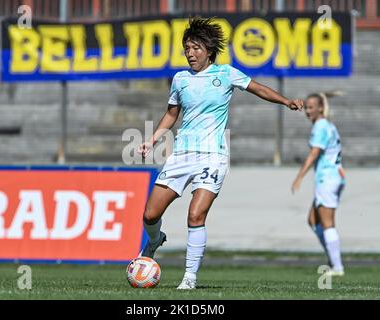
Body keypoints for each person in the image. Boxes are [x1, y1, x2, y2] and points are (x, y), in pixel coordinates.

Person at [138, 17, 304, 290]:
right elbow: (171, 114)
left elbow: (258, 88)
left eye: (195, 48)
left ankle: (189, 278)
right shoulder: (180, 79)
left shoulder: (226, 74)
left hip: (212, 157)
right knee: (149, 215)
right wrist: (153, 140)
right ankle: (155, 240)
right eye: (186, 49)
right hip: (181, 156)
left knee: (195, 216)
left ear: (208, 50)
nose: (190, 53)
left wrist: (286, 101)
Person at [291, 92, 346, 276]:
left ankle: (337, 267)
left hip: (327, 178)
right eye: (306, 107)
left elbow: (315, 153)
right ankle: (333, 259)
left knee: (327, 223)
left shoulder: (321, 126)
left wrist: (299, 176)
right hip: (334, 176)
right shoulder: (327, 125)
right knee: (313, 220)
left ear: (321, 108)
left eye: (311, 107)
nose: (307, 110)